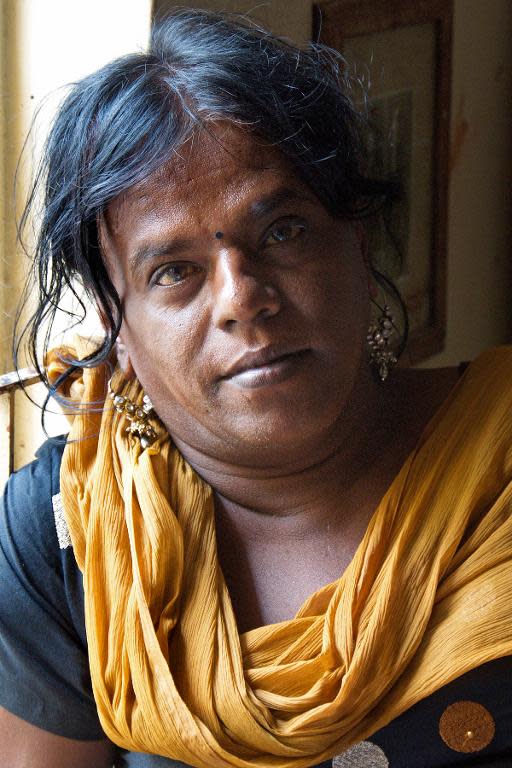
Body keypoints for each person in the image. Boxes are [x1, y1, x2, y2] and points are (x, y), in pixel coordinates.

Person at [0, 9, 511, 768]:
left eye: (283, 232)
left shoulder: (498, 470)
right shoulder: (69, 538)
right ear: (121, 328)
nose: (243, 298)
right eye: (172, 272)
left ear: (357, 246)